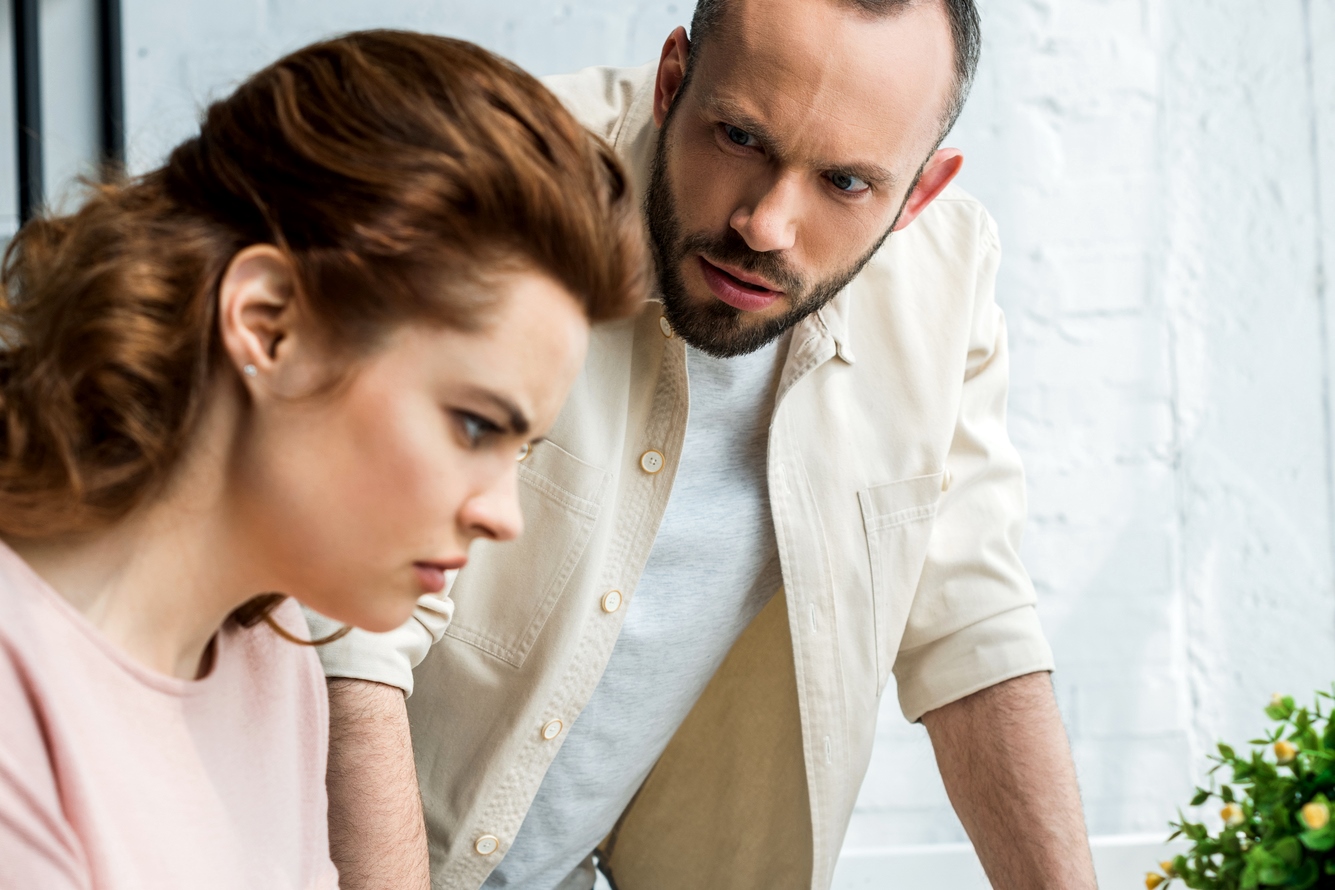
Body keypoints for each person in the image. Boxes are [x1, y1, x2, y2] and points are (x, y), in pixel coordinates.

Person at [316, 1, 1101, 888]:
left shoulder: (945, 287)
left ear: (918, 193)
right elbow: (356, 637)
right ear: (669, 82)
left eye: (844, 183)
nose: (765, 225)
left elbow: (974, 635)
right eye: (738, 137)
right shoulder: (495, 187)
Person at [0, 30, 644, 890]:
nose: (504, 513)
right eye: (475, 425)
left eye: (521, 449)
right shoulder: (20, 706)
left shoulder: (276, 656)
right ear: (268, 325)